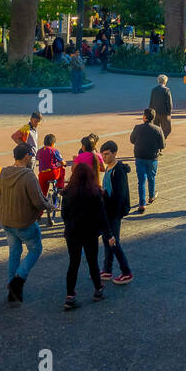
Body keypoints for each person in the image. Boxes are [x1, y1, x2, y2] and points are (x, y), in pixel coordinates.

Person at [0, 144, 52, 303]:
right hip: (24, 222)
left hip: (6, 221)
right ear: (27, 156)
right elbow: (38, 202)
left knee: (14, 252)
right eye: (31, 156)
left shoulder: (3, 172)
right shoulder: (28, 175)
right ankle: (17, 280)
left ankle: (12, 293)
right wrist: (49, 204)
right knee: (35, 249)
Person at [61, 161, 111, 310]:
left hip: (72, 233)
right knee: (92, 262)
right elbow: (102, 217)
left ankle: (70, 296)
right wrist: (109, 234)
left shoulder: (68, 192)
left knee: (73, 263)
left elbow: (64, 215)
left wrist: (71, 224)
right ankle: (98, 290)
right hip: (90, 233)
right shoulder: (95, 193)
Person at [99, 141, 133, 284]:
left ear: (114, 153)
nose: (104, 157)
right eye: (103, 154)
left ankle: (126, 272)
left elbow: (119, 195)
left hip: (113, 212)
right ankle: (107, 270)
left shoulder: (117, 171)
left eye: (107, 154)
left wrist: (104, 195)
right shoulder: (109, 168)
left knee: (113, 241)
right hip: (108, 210)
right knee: (108, 241)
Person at [129, 108, 165, 214]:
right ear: (153, 118)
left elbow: (132, 140)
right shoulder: (158, 129)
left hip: (140, 157)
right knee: (151, 177)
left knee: (141, 181)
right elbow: (162, 145)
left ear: (144, 117)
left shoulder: (137, 128)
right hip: (152, 158)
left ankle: (142, 203)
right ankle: (152, 196)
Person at [36, 134, 67, 223]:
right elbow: (61, 161)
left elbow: (39, 159)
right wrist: (63, 163)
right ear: (53, 143)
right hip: (52, 174)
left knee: (42, 194)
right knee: (62, 169)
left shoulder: (40, 151)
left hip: (42, 175)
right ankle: (60, 186)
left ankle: (39, 213)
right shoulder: (54, 150)